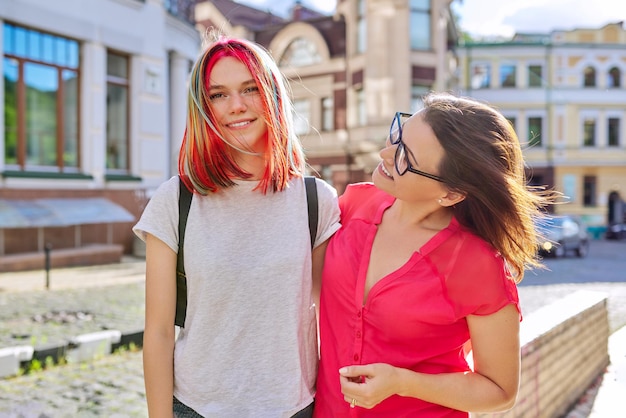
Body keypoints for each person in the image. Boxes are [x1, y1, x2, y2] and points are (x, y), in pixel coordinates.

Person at [133, 34, 340, 418]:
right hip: (196, 408)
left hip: (294, 408)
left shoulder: (317, 201)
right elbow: (159, 332)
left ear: (272, 96)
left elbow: (332, 320)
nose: (237, 106)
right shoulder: (176, 199)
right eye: (219, 95)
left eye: (250, 89)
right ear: (203, 107)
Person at [314, 92, 556, 417]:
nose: (385, 154)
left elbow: (500, 390)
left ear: (451, 193)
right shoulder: (353, 205)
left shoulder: (477, 265)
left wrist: (402, 382)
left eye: (405, 157)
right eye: (397, 135)